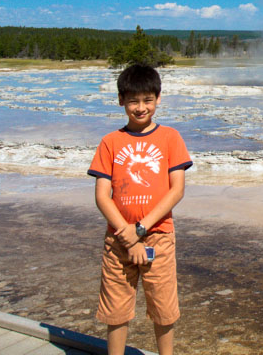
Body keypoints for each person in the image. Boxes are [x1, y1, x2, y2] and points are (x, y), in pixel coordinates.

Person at [88, 63, 193, 355]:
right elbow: (102, 196)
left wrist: (141, 229)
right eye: (133, 101)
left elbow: (176, 190)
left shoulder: (170, 138)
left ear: (158, 99)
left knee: (164, 307)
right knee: (115, 309)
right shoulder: (110, 142)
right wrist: (128, 235)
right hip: (118, 239)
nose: (141, 107)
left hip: (158, 235)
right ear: (121, 100)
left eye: (147, 100)